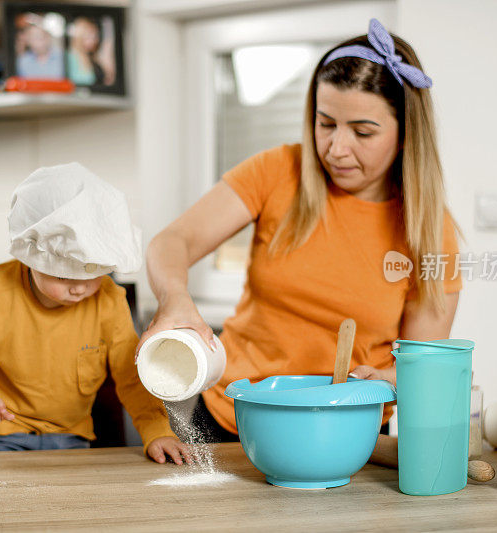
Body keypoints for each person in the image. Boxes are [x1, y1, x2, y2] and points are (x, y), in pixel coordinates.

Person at [139, 19, 462, 446]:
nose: (336, 148)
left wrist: (389, 378)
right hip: (229, 421)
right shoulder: (278, 171)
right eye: (325, 123)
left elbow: (423, 367)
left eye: (363, 132)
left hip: (345, 435)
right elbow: (171, 242)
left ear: (405, 135)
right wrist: (175, 300)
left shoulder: (429, 229)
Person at [0, 162, 189, 464]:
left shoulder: (109, 300)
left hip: (69, 438)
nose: (80, 289)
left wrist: (157, 430)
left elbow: (130, 375)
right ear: (31, 257)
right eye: (63, 277)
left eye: (93, 276)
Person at [16, 15, 65, 79]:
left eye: (41, 35)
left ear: (48, 36)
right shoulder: (22, 61)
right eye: (34, 37)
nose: (39, 41)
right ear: (28, 40)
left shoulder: (63, 57)